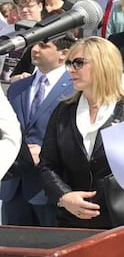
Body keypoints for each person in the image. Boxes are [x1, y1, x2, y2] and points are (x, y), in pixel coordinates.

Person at [38, 37, 124, 229]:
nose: (70, 69)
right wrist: (63, 196)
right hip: (75, 222)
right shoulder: (63, 111)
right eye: (69, 63)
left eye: (78, 63)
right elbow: (47, 165)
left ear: (104, 64)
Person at [1, 35, 74, 226]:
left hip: (51, 187)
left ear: (63, 53)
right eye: (34, 44)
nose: (35, 49)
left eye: (43, 45)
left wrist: (46, 152)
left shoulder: (75, 88)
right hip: (13, 187)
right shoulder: (17, 87)